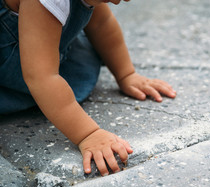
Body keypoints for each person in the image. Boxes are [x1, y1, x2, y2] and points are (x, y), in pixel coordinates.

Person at [0, 0, 176, 176]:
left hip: (47, 48)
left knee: (78, 50)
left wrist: (126, 74)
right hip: (16, 64)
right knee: (44, 81)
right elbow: (41, 77)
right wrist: (88, 134)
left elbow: (101, 24)